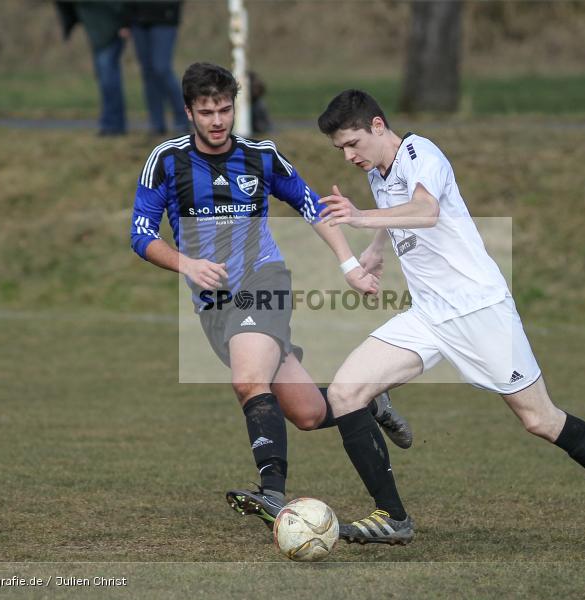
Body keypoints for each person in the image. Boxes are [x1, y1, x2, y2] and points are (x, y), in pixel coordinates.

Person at [312, 90, 585, 558]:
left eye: (352, 143)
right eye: (341, 150)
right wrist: (375, 249)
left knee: (539, 418)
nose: (349, 156)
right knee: (344, 393)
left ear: (377, 126)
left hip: (479, 310)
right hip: (429, 314)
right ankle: (392, 516)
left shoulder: (421, 152)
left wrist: (357, 217)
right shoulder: (379, 170)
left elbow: (426, 211)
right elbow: (399, 214)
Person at [129, 63, 412, 530]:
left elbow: (310, 205)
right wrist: (187, 263)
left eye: (225, 109)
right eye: (206, 112)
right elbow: (141, 234)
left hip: (264, 283)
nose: (218, 120)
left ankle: (272, 494)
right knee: (307, 412)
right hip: (213, 305)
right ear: (189, 112)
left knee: (247, 381)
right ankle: (370, 402)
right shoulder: (166, 160)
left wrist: (348, 264)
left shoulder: (262, 156)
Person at [56, 1, 128, 136]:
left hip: (111, 31)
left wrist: (124, 22)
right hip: (99, 34)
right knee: (105, 79)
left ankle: (114, 126)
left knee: (108, 80)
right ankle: (110, 124)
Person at [128, 1, 189, 135]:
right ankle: (157, 124)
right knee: (148, 73)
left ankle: (183, 119)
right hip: (137, 18)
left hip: (164, 17)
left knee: (161, 68)